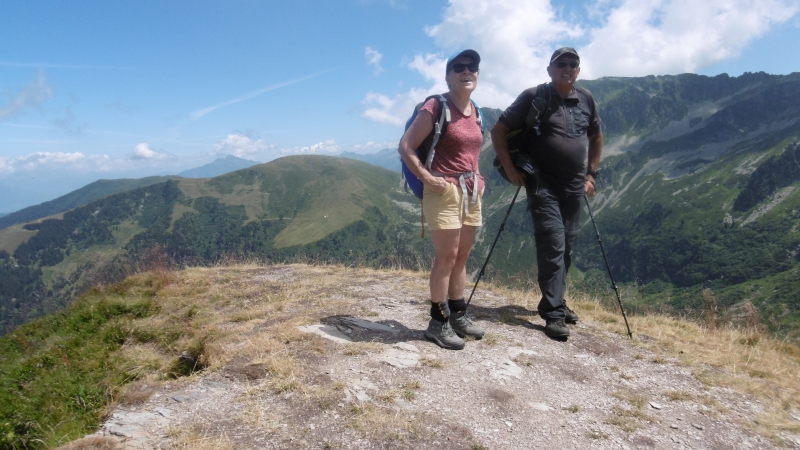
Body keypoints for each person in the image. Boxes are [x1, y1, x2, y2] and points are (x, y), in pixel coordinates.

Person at [491, 47, 602, 339]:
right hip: (542, 184)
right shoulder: (534, 96)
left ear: (578, 70)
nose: (567, 68)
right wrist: (509, 168)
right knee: (553, 244)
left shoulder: (586, 99)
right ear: (550, 69)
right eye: (561, 63)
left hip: (574, 186)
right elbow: (498, 130)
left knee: (567, 247)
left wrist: (592, 174)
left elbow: (596, 136)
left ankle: (556, 300)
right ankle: (553, 314)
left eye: (573, 64)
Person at [398, 49, 486, 350]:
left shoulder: (477, 111)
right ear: (448, 76)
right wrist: (427, 177)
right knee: (446, 257)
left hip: (471, 191)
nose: (466, 71)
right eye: (459, 67)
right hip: (444, 191)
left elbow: (471, 152)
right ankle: (438, 323)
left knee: (462, 255)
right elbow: (406, 146)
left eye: (472, 67)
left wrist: (479, 176)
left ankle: (458, 314)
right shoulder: (436, 106)